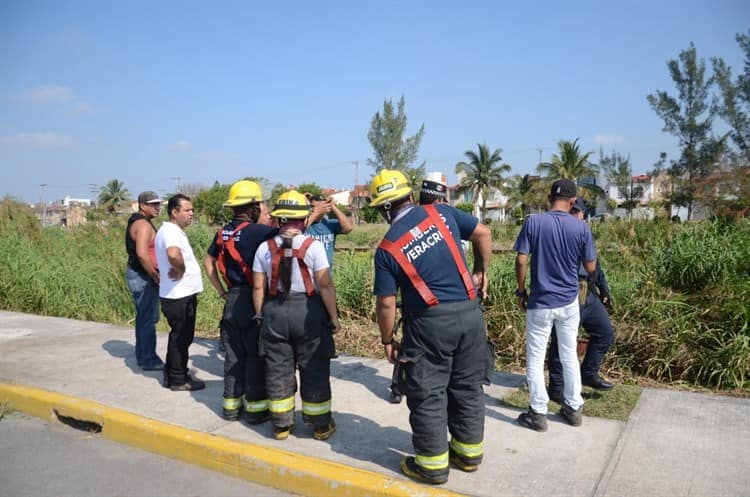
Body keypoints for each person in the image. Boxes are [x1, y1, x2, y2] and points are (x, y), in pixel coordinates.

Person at [371, 169, 492, 485]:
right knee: (467, 387)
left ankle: (432, 466)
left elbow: (385, 304)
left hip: (429, 326)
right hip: (470, 316)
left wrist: (387, 339)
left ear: (384, 209)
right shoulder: (441, 212)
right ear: (411, 197)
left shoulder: (387, 249)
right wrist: (481, 272)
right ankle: (467, 455)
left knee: (428, 394)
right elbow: (484, 233)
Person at [252, 190, 340, 441]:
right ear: (303, 220)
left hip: (275, 312)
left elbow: (258, 287)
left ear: (279, 220)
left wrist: (260, 316)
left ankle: (281, 425)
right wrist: (333, 318)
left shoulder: (264, 248)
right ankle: (320, 425)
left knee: (278, 368)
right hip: (309, 313)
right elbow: (325, 285)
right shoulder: (313, 247)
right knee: (314, 367)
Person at [513, 179, 597, 431]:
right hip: (569, 301)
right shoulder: (581, 227)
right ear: (572, 201)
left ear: (550, 198)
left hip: (540, 301)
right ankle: (573, 408)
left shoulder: (534, 222)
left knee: (536, 358)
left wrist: (521, 290)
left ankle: (538, 413)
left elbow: (520, 260)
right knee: (569, 354)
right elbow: (591, 266)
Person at [204, 180, 277, 423]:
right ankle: (255, 412)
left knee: (234, 357)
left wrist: (221, 291)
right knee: (255, 356)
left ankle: (231, 408)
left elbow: (208, 262)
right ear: (253, 207)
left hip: (232, 299)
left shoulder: (222, 232)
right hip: (252, 299)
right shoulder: (257, 232)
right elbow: (291, 232)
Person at [387, 173, 451, 405]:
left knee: (409, 343)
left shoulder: (406, 223)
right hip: (439, 300)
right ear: (440, 198)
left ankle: (399, 386)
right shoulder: (441, 219)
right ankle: (404, 385)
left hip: (418, 298)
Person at [547, 198, 614, 402]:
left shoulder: (584, 233)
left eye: (577, 213)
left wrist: (603, 289)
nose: (574, 216)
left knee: (605, 332)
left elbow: (595, 264)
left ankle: (588, 373)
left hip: (588, 292)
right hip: (567, 291)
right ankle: (557, 387)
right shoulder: (559, 233)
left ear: (583, 215)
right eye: (571, 212)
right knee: (562, 341)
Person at [155, 194, 205, 391]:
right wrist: (182, 269)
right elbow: (173, 254)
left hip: (177, 294)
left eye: (192, 210)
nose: (191, 214)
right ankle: (178, 378)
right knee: (181, 338)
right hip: (179, 296)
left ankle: (172, 374)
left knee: (178, 337)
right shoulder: (171, 232)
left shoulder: (170, 230)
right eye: (187, 210)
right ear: (174, 212)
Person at [124, 191, 164, 371]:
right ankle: (149, 359)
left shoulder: (139, 222)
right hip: (143, 276)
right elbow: (142, 253)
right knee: (147, 318)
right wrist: (155, 276)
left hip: (139, 274)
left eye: (159, 204)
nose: (158, 207)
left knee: (144, 317)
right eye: (153, 204)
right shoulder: (143, 225)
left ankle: (143, 355)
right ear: (142, 205)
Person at [304, 192, 353, 269]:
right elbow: (300, 231)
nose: (313, 210)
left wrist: (333, 206)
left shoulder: (330, 223)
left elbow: (348, 228)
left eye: (318, 207)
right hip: (307, 274)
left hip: (326, 274)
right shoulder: (306, 223)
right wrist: (316, 213)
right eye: (312, 207)